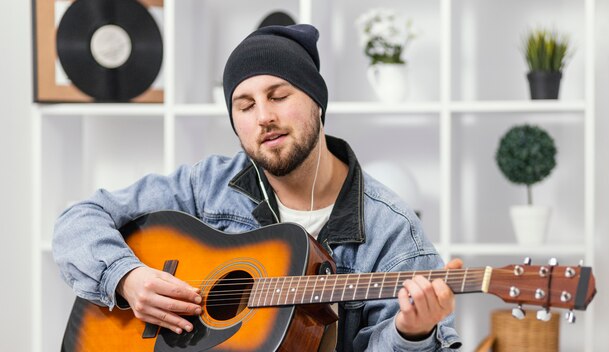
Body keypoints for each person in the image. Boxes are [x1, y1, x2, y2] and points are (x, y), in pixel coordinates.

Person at [53, 24, 462, 351]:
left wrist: (412, 333)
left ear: (317, 102)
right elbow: (78, 220)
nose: (263, 116)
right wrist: (128, 278)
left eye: (279, 95)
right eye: (245, 106)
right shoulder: (207, 185)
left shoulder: (391, 230)